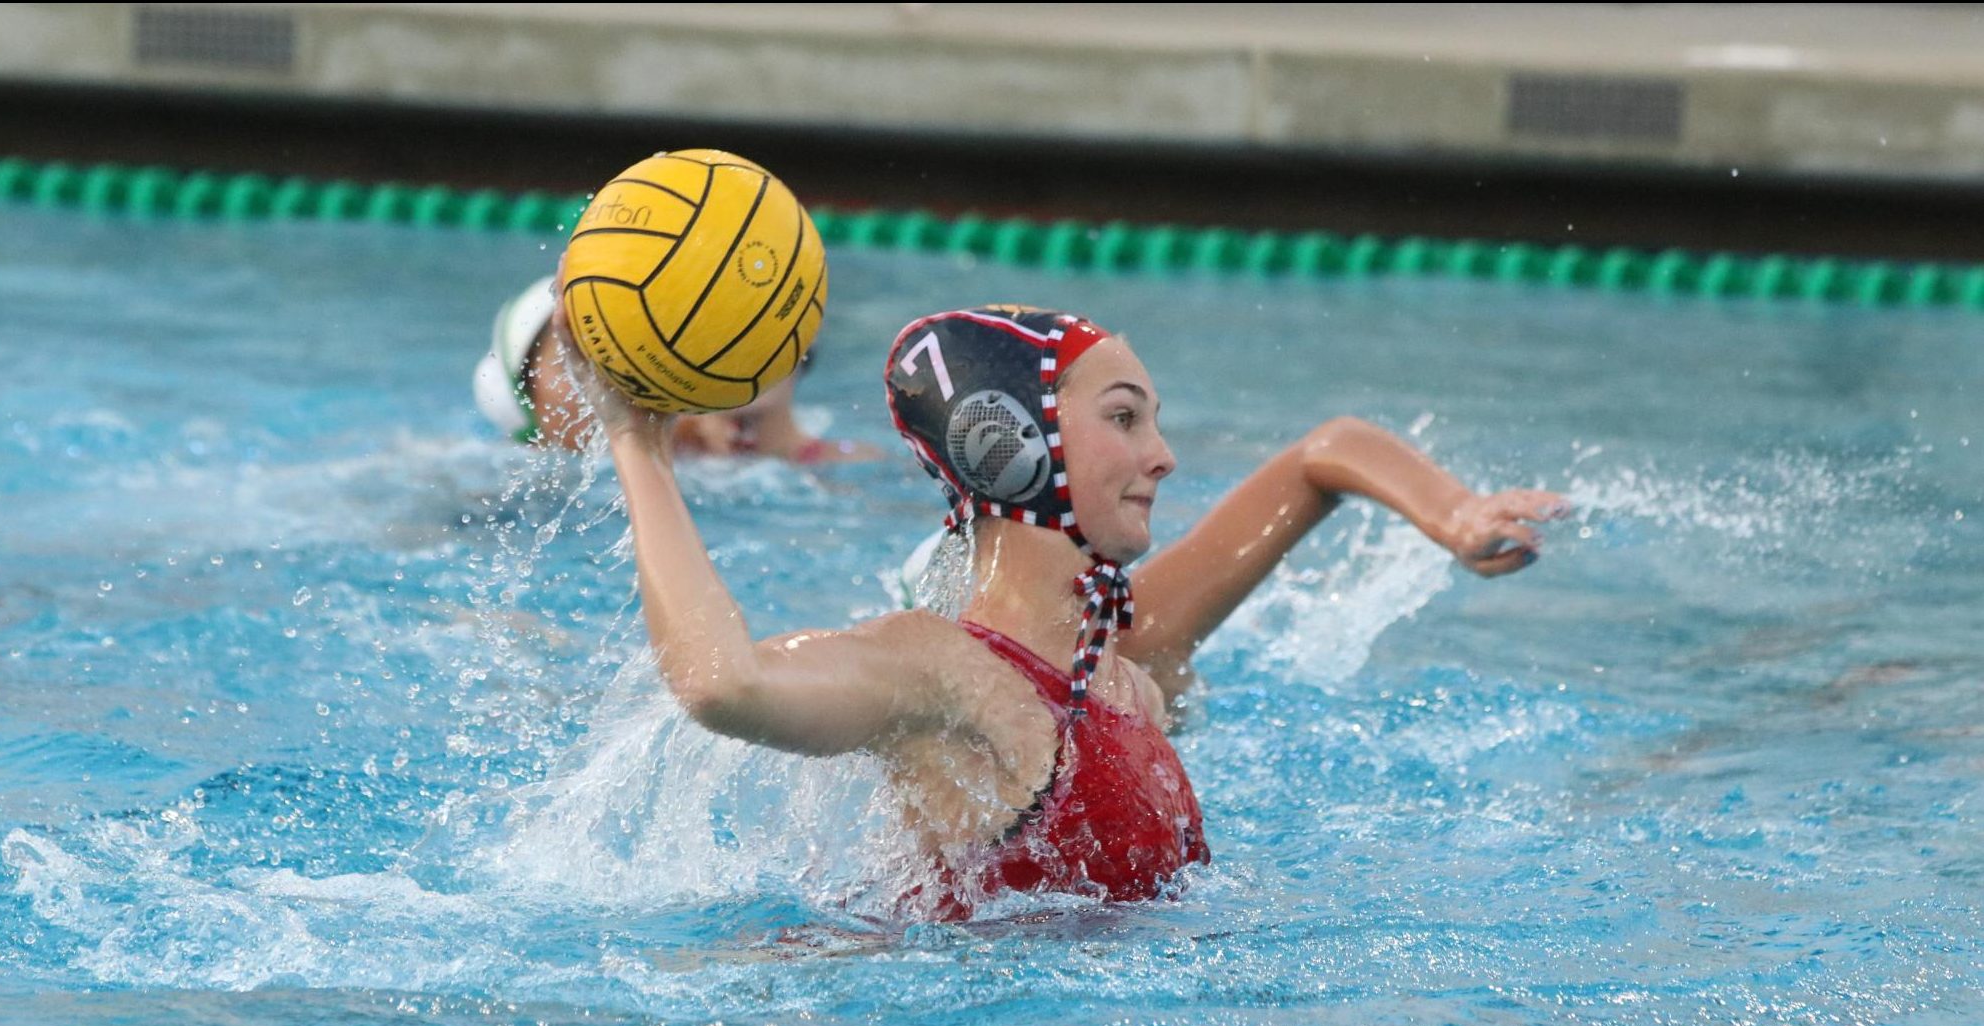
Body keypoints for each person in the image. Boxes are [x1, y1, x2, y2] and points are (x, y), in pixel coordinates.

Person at [580, 303, 1568, 920]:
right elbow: (723, 681)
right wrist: (638, 446)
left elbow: (1323, 454)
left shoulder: (1121, 657)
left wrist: (1454, 513)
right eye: (1126, 417)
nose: (1164, 453)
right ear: (1015, 444)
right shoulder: (938, 671)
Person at [472, 275, 874, 462]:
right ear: (529, 407)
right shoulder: (499, 476)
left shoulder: (710, 445)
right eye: (575, 363)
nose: (610, 372)